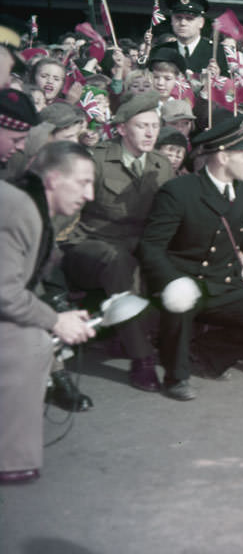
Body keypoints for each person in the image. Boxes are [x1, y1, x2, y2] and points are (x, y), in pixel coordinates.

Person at [138, 116, 243, 401]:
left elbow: (241, 237)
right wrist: (171, 282)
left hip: (223, 282)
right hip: (183, 280)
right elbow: (151, 247)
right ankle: (176, 375)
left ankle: (204, 354)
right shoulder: (179, 192)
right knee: (180, 305)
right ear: (222, 156)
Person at [60, 92, 174, 392]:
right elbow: (68, 211)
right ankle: (143, 359)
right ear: (122, 128)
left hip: (138, 244)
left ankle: (172, 343)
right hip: (92, 245)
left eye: (155, 126)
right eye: (141, 126)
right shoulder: (97, 160)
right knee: (119, 261)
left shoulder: (161, 165)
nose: (150, 133)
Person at [1, 138, 97, 484]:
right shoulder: (20, 209)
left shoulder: (31, 204)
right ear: (54, 179)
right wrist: (55, 321)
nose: (89, 195)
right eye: (84, 182)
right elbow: (5, 292)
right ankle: (9, 457)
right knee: (31, 341)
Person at [164, 0, 226, 76]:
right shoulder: (162, 50)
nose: (183, 23)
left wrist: (217, 79)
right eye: (178, 17)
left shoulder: (218, 52)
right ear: (172, 20)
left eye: (189, 18)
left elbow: (231, 86)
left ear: (201, 22)